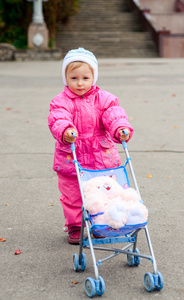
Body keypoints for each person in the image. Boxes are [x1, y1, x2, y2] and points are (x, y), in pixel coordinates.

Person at [48, 48, 134, 244]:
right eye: (74, 78)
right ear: (65, 78)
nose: (79, 83)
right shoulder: (60, 102)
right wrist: (65, 130)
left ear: (93, 77)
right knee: (72, 195)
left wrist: (120, 128)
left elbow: (114, 114)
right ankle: (76, 226)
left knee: (104, 192)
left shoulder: (105, 99)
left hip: (101, 157)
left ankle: (101, 223)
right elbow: (58, 119)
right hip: (72, 157)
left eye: (85, 78)